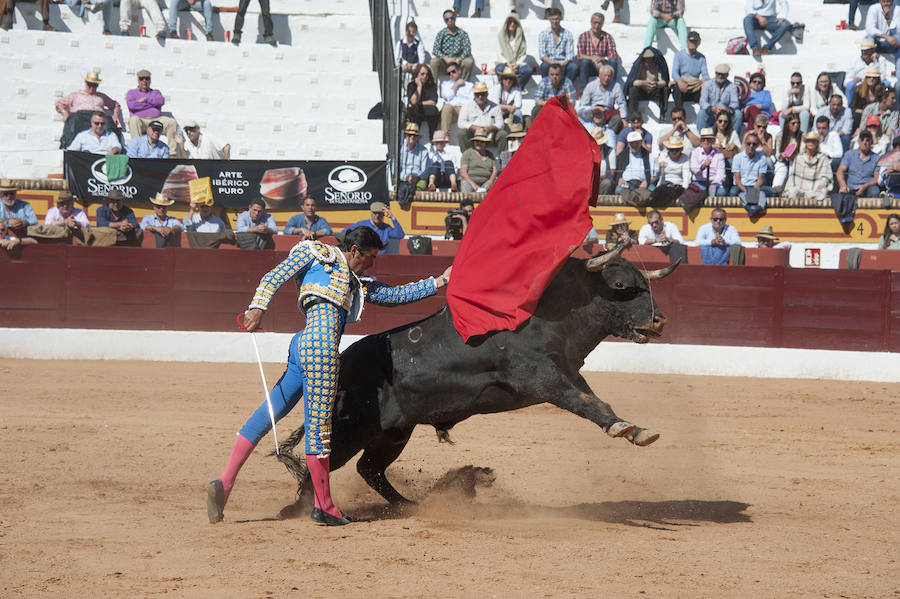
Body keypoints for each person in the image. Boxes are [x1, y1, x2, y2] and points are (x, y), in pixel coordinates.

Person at [206, 226, 452, 526]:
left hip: (301, 345)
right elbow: (274, 277)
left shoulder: (349, 277)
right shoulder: (316, 251)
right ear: (355, 251)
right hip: (321, 349)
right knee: (319, 431)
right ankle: (324, 506)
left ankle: (225, 483)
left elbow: (392, 295)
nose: (372, 264)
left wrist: (439, 281)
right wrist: (257, 308)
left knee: (267, 414)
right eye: (371, 257)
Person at [55, 70, 123, 147]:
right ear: (86, 84)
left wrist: (115, 116)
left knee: (110, 123)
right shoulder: (76, 95)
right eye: (90, 85)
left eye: (94, 85)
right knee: (74, 120)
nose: (91, 88)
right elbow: (59, 103)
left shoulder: (101, 96)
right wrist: (65, 112)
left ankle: (114, 148)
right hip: (81, 116)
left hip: (99, 116)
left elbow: (116, 105)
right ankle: (68, 147)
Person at [731, 133, 776, 216]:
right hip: (741, 186)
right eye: (749, 143)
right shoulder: (737, 157)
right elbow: (737, 180)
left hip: (755, 186)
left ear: (757, 145)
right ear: (745, 144)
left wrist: (752, 191)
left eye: (754, 144)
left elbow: (761, 179)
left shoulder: (762, 158)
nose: (751, 146)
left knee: (774, 192)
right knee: (733, 192)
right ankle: (758, 206)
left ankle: (749, 205)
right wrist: (747, 191)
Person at [125, 70, 177, 142]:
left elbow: (161, 101)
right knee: (134, 120)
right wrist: (152, 105)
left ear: (150, 80)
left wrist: (144, 99)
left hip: (156, 120)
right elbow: (132, 106)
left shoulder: (156, 92)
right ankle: (137, 150)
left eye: (147, 78)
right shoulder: (131, 93)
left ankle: (172, 152)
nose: (144, 81)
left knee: (171, 122)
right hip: (141, 121)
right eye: (142, 79)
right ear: (138, 80)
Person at [575, 12, 621, 93]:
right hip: (589, 65)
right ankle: (583, 91)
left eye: (599, 23)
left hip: (602, 65)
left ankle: (612, 89)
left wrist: (601, 59)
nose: (597, 25)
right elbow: (580, 55)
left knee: (613, 62)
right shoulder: (583, 36)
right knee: (584, 62)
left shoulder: (607, 37)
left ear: (602, 24)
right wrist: (593, 59)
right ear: (591, 22)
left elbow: (613, 55)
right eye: (595, 23)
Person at [783, 131, 833, 203]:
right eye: (808, 141)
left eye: (813, 141)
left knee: (822, 193)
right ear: (806, 143)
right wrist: (794, 187)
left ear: (817, 143)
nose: (811, 143)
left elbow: (826, 175)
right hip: (799, 188)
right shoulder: (799, 157)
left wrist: (822, 184)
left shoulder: (823, 158)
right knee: (792, 192)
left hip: (816, 188)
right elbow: (793, 176)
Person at [458, 81, 507, 153]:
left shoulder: (495, 107)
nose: (480, 97)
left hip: (489, 137)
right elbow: (461, 123)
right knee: (462, 132)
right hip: (474, 137)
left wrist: (489, 128)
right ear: (474, 95)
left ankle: (504, 161)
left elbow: (501, 124)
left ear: (487, 94)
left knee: (503, 134)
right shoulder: (466, 106)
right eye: (478, 94)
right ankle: (466, 158)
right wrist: (474, 128)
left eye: (483, 94)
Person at [578, 64, 626, 134]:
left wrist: (624, 118)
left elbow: (621, 103)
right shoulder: (591, 86)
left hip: (608, 112)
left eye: (609, 76)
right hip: (594, 111)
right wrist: (594, 109)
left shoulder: (616, 86)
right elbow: (583, 104)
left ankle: (607, 135)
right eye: (605, 75)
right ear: (599, 75)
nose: (607, 78)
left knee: (617, 118)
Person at [430, 9, 474, 82]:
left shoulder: (463, 34)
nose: (449, 20)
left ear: (455, 18)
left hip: (458, 63)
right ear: (444, 21)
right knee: (434, 62)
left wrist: (459, 59)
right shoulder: (441, 34)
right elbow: (435, 50)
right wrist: (445, 58)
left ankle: (463, 84)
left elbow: (467, 49)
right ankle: (433, 89)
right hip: (445, 63)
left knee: (469, 62)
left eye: (452, 18)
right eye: (447, 19)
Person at [625, 47, 670, 117]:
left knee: (665, 89)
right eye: (646, 59)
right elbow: (633, 82)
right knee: (632, 90)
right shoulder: (639, 66)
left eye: (650, 58)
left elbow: (664, 81)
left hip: (654, 91)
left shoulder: (657, 66)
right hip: (642, 91)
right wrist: (643, 83)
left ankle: (663, 112)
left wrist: (657, 84)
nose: (648, 60)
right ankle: (632, 115)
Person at [836, 130, 882, 198]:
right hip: (851, 187)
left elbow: (876, 179)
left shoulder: (876, 158)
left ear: (871, 142)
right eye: (862, 140)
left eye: (867, 140)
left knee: (875, 191)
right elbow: (840, 171)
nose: (864, 142)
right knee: (842, 192)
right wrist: (843, 185)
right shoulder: (849, 154)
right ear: (858, 141)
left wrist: (865, 186)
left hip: (867, 187)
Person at [669, 30, 708, 110]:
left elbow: (705, 74)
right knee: (676, 88)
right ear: (687, 42)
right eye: (691, 41)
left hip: (695, 86)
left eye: (695, 41)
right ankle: (679, 112)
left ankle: (704, 113)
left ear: (699, 42)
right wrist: (680, 81)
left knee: (706, 89)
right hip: (683, 85)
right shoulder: (679, 55)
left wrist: (705, 80)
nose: (692, 43)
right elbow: (674, 73)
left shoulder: (701, 57)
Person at [495, 13, 534, 91]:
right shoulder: (501, 36)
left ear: (517, 24)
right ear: (507, 23)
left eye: (514, 22)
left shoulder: (521, 37)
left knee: (528, 70)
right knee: (499, 69)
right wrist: (508, 64)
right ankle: (504, 88)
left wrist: (517, 65)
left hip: (517, 65)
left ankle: (517, 89)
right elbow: (498, 53)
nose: (512, 24)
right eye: (510, 22)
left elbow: (523, 54)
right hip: (505, 64)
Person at [538, 8, 578, 83]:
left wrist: (562, 64)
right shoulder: (543, 34)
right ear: (549, 19)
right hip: (550, 63)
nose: (555, 21)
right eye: (553, 19)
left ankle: (565, 86)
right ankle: (547, 86)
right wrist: (552, 63)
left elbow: (570, 55)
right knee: (543, 66)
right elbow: (542, 55)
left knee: (574, 67)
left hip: (563, 63)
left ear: (560, 18)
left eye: (557, 19)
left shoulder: (567, 34)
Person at [698, 63, 739, 131]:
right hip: (711, 113)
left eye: (722, 74)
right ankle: (700, 137)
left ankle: (733, 137)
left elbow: (735, 103)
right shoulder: (707, 84)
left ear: (727, 75)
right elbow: (702, 102)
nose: (720, 76)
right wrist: (712, 108)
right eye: (718, 73)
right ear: (715, 73)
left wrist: (727, 110)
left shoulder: (732, 87)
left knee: (738, 114)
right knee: (702, 113)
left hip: (726, 115)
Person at [615, 130, 658, 196]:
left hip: (644, 184)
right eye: (632, 143)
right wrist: (620, 179)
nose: (634, 145)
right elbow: (617, 173)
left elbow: (654, 176)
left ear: (641, 142)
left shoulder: (648, 155)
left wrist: (647, 181)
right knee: (618, 190)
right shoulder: (622, 156)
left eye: (636, 142)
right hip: (627, 184)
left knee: (653, 190)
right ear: (628, 143)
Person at [439, 63, 474, 139]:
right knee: (447, 107)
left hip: (465, 109)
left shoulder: (469, 85)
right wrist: (456, 85)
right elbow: (447, 97)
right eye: (449, 73)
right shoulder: (445, 84)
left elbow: (472, 100)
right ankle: (445, 137)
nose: (451, 74)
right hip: (452, 111)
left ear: (459, 71)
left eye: (453, 71)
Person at [397, 122, 431, 203]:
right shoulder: (399, 148)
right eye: (409, 135)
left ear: (417, 138)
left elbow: (425, 170)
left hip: (418, 179)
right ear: (405, 136)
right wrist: (406, 178)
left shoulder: (424, 150)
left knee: (421, 185)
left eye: (414, 135)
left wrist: (416, 178)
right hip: (402, 178)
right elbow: (396, 167)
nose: (412, 137)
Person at [690, 127, 728, 196]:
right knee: (693, 191)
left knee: (722, 192)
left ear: (713, 140)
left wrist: (713, 185)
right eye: (703, 139)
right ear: (701, 141)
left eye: (708, 139)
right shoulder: (695, 152)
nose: (706, 141)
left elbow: (721, 174)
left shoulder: (719, 155)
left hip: (713, 182)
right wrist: (704, 165)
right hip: (699, 182)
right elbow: (694, 169)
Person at [458, 128, 498, 193]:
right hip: (469, 181)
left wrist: (490, 181)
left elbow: (494, 171)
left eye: (481, 141)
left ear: (485, 143)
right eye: (476, 141)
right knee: (465, 183)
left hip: (485, 182)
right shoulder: (467, 153)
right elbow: (463, 173)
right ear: (473, 142)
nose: (479, 143)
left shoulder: (490, 155)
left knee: (495, 182)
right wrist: (473, 184)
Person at [406, 64, 440, 139]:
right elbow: (413, 101)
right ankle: (414, 135)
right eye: (422, 74)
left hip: (427, 111)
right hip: (417, 111)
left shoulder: (432, 86)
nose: (425, 76)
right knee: (415, 109)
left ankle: (432, 137)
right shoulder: (411, 85)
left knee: (434, 110)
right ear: (417, 74)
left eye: (427, 74)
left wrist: (418, 103)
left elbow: (433, 102)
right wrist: (419, 87)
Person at [772, 112, 803, 190]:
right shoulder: (780, 136)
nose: (796, 125)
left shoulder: (802, 136)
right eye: (793, 123)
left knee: (794, 168)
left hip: (796, 161)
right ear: (787, 124)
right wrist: (782, 155)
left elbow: (803, 152)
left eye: (798, 123)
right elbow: (777, 154)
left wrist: (794, 157)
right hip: (782, 161)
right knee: (781, 168)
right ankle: (776, 189)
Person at [849, 66, 885, 132]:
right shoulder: (858, 89)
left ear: (877, 79)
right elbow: (852, 107)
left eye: (874, 77)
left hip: (876, 114)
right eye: (869, 77)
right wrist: (864, 112)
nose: (871, 79)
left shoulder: (882, 90)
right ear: (866, 78)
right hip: (861, 114)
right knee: (856, 117)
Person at [591, 127, 616, 195]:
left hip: (604, 180)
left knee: (607, 183)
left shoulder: (610, 151)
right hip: (591, 180)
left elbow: (612, 173)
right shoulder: (588, 151)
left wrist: (600, 177)